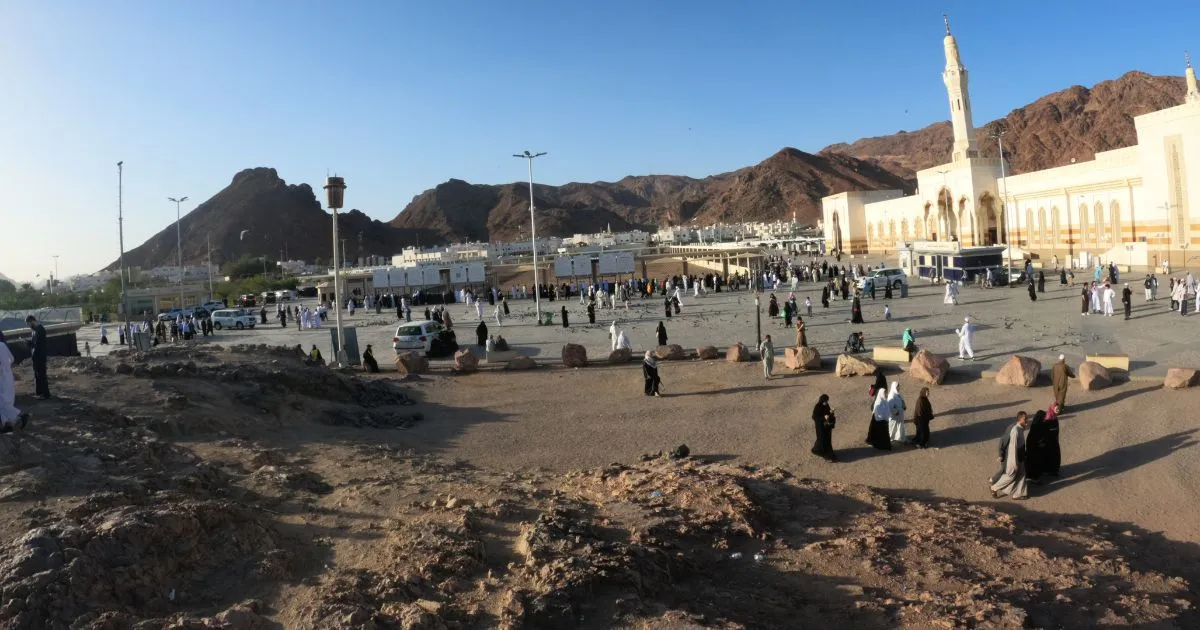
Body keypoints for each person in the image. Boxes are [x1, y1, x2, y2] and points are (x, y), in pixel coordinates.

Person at [991, 412, 1030, 500]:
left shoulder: (1020, 428)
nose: (1027, 420)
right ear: (1020, 419)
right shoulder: (1015, 431)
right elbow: (1013, 449)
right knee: (1010, 476)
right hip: (1013, 459)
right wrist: (1014, 463)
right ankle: (994, 488)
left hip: (1020, 457)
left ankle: (1018, 494)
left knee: (1022, 474)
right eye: (1025, 419)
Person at [0, 331, 31, 433]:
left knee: (2, 402)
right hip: (8, 375)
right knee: (7, 400)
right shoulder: (3, 345)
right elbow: (12, 359)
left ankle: (20, 417)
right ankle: (7, 424)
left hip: (1, 377)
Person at [26, 316, 50, 399]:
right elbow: (34, 344)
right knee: (37, 375)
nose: (29, 326)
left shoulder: (40, 329)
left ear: (32, 321)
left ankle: (45, 394)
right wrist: (29, 343)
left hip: (40, 357)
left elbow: (38, 345)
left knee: (41, 375)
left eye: (29, 324)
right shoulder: (34, 331)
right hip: (35, 357)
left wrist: (30, 344)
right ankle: (39, 392)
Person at [811, 394, 836, 462]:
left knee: (827, 440)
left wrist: (831, 413)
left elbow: (828, 413)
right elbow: (814, 417)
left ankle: (827, 454)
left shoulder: (826, 405)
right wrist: (823, 418)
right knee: (822, 440)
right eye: (825, 400)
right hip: (820, 428)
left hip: (827, 427)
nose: (826, 402)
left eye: (827, 400)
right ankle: (826, 455)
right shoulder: (817, 407)